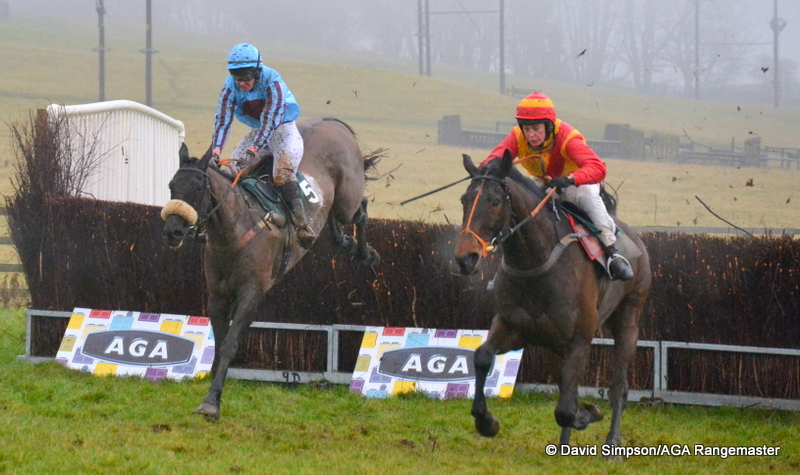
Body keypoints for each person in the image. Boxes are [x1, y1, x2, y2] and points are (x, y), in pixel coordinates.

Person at [480, 92, 633, 281]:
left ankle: (612, 253)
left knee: (586, 197)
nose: (530, 134)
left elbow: (598, 168)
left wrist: (570, 179)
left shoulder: (568, 138)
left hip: (578, 183)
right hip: (544, 182)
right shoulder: (517, 136)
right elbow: (495, 158)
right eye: (526, 129)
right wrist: (483, 170)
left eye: (536, 128)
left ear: (549, 125)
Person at [210, 42, 315, 249]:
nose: (241, 82)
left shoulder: (272, 81)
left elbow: (270, 121)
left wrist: (253, 150)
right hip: (259, 131)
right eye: (236, 75)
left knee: (282, 175)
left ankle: (302, 225)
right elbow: (222, 120)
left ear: (258, 71)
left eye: (246, 76)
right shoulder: (230, 86)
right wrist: (215, 151)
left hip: (283, 130)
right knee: (231, 172)